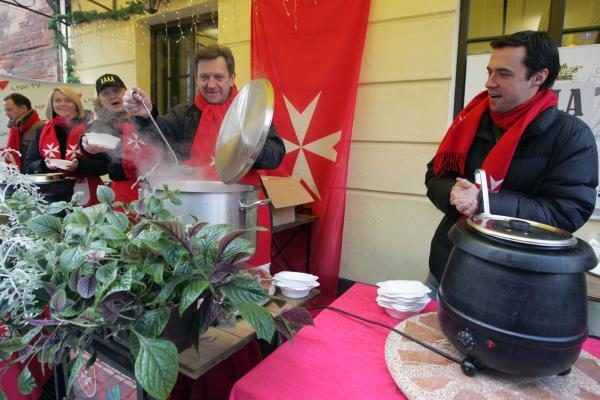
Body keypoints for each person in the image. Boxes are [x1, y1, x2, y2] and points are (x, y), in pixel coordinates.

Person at [425, 30, 598, 295]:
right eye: (489, 72)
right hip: (448, 264)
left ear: (538, 77)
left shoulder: (571, 136)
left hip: (517, 285)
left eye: (503, 74)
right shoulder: (469, 122)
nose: (489, 83)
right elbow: (435, 174)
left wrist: (484, 202)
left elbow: (567, 212)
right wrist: (452, 192)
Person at [123, 44, 286, 267]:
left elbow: (276, 155)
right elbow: (157, 135)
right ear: (196, 79)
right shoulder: (184, 114)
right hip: (193, 214)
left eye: (219, 77)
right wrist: (145, 113)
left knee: (245, 276)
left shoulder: (250, 113)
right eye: (204, 77)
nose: (211, 84)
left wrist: (248, 144)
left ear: (232, 77)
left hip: (241, 210)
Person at [24, 86, 107, 206]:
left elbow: (103, 166)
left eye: (68, 100)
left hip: (87, 196)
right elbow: (29, 166)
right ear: (51, 104)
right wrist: (44, 165)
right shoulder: (41, 130)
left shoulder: (91, 128)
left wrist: (79, 165)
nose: (62, 104)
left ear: (76, 104)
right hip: (51, 198)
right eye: (57, 100)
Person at [82, 73, 157, 204]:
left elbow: (162, 133)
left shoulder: (144, 116)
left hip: (156, 185)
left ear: (125, 92)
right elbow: (98, 164)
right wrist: (86, 147)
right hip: (123, 192)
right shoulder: (100, 126)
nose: (112, 96)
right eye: (105, 93)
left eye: (116, 90)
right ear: (100, 100)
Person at [3, 93, 45, 171]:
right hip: (21, 178)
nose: (6, 114)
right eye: (5, 110)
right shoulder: (16, 129)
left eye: (9, 110)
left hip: (34, 178)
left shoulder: (41, 127)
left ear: (23, 108)